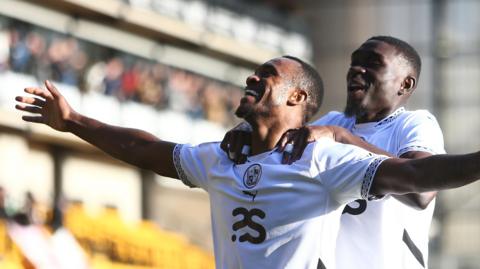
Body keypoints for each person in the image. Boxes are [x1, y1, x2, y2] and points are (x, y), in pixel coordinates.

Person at [14, 57, 480, 269]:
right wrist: (73, 121)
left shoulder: (323, 156)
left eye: (267, 76)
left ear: (297, 96)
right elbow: (146, 149)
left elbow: (418, 177)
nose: (252, 77)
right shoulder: (221, 156)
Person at [224, 36, 442, 269]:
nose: (357, 69)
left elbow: (422, 192)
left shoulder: (414, 123)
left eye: (373, 63)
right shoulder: (334, 121)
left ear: (405, 84)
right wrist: (248, 128)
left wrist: (343, 138)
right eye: (354, 63)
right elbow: (280, 137)